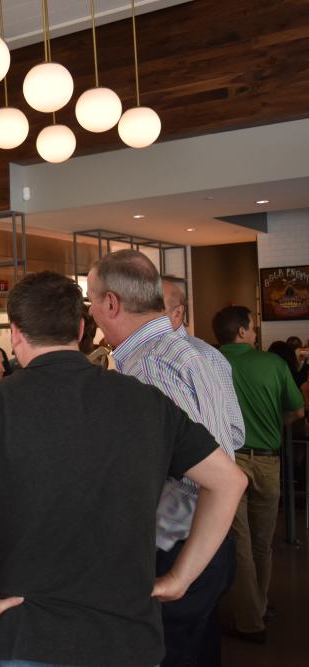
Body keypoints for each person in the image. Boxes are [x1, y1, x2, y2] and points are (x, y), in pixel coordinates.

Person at [0, 271, 246, 667]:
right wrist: (180, 578)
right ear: (82, 327)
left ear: (16, 333)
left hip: (29, 638)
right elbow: (229, 481)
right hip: (129, 639)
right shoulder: (145, 401)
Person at [89, 250, 243, 667]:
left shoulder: (148, 368)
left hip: (178, 548)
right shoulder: (193, 352)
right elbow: (229, 437)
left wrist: (174, 567)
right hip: (204, 543)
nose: (90, 313)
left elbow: (204, 476)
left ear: (112, 303)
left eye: (91, 300)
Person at [213, 306, 305, 643]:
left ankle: (250, 616)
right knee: (263, 542)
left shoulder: (209, 361)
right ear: (241, 332)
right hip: (268, 460)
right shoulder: (274, 363)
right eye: (252, 327)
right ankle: (258, 610)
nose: (254, 333)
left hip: (227, 462)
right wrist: (272, 429)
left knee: (239, 542)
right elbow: (296, 410)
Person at [163, 280, 247, 453]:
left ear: (178, 313)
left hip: (192, 475)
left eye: (155, 308)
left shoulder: (207, 356)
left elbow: (234, 432)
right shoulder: (138, 358)